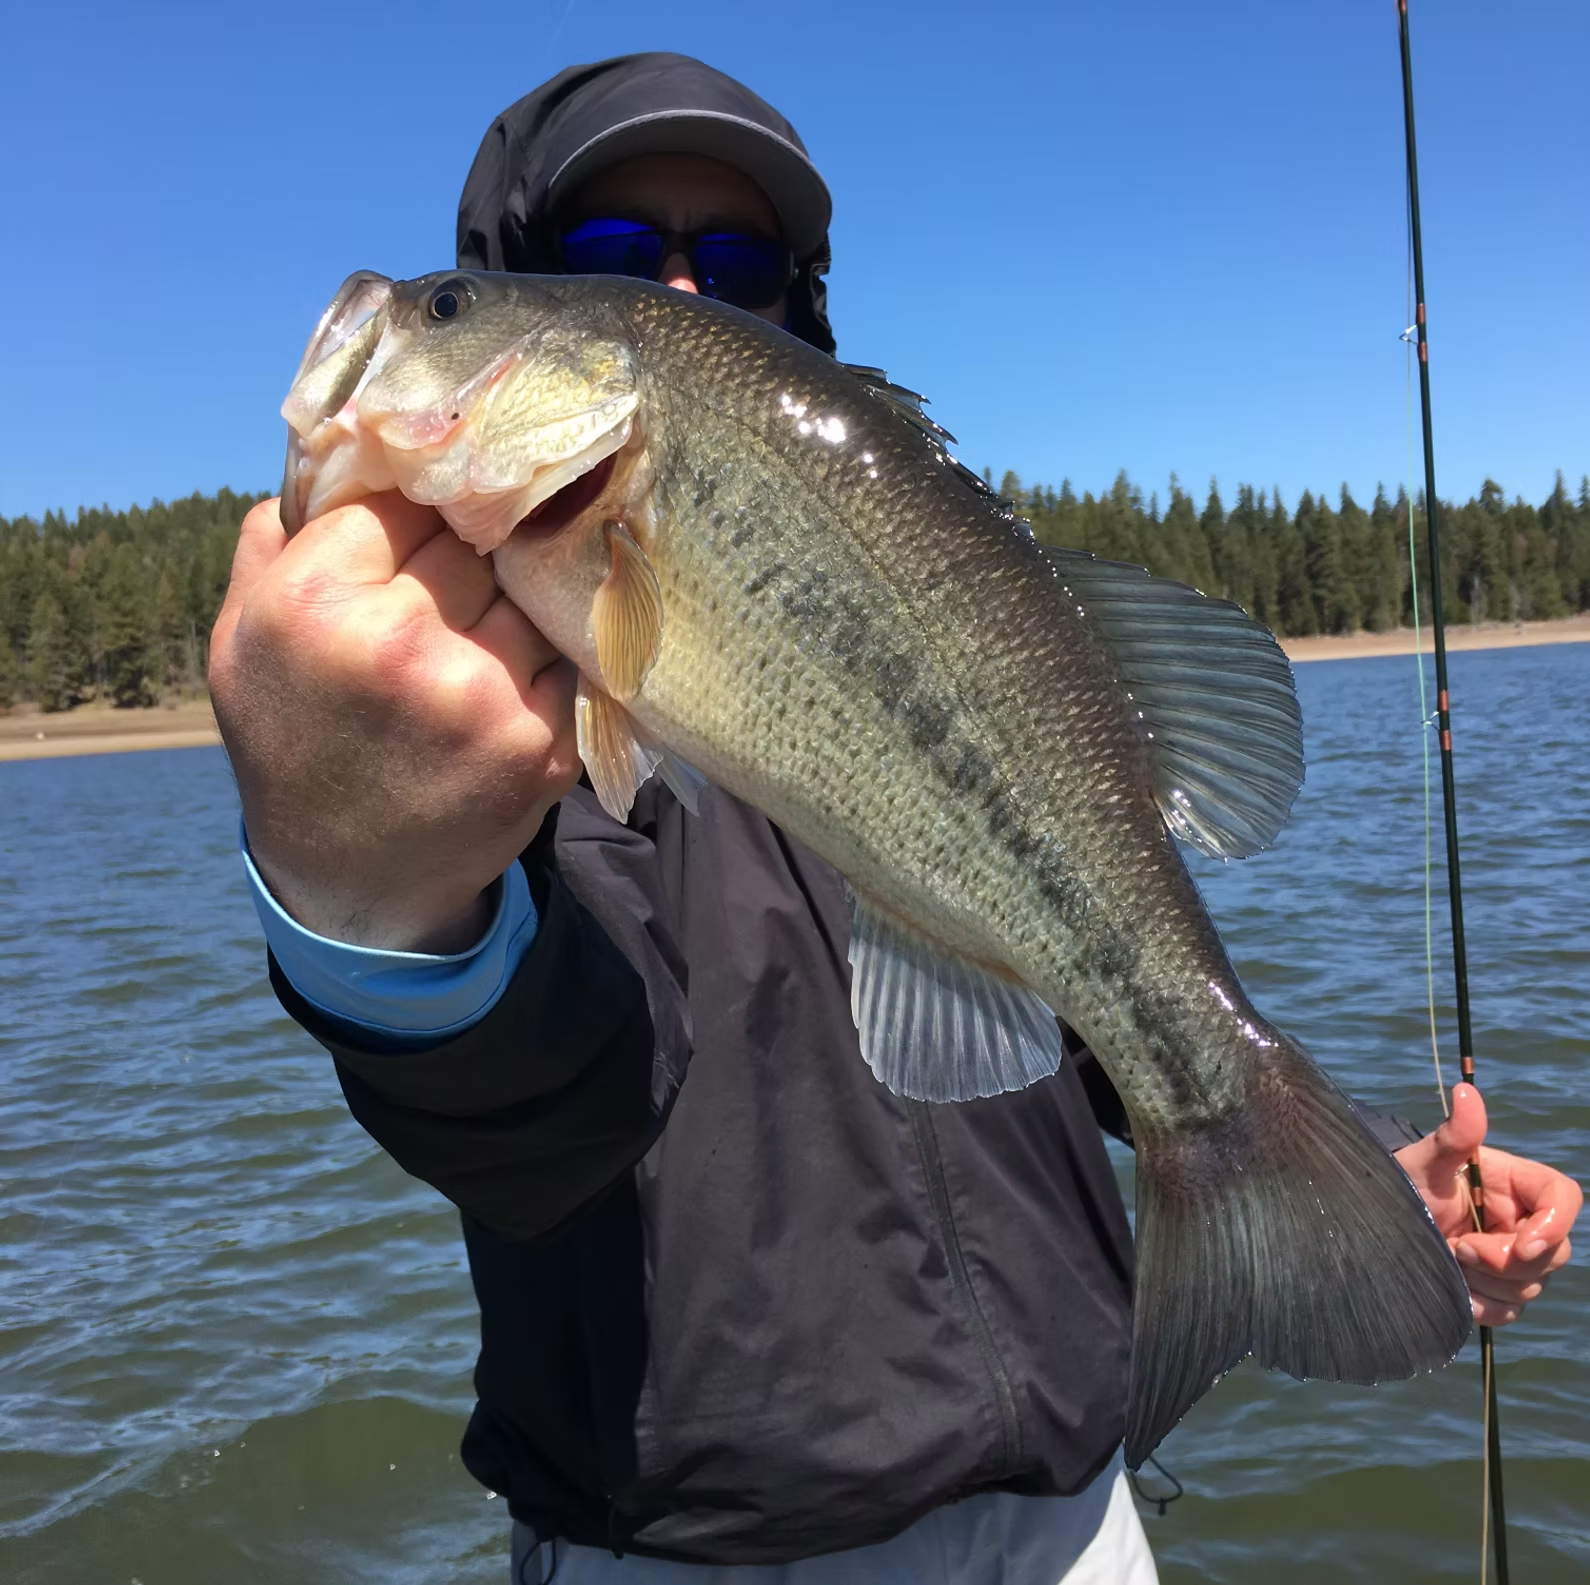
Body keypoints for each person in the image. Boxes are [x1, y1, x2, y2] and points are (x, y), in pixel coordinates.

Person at [208, 53, 1582, 1584]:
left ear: (799, 304)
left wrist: (1321, 1193)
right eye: (607, 256)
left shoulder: (910, 579)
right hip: (699, 1552)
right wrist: (367, 894)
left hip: (1077, 1523)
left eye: (736, 263)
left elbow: (1067, 1020)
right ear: (531, 285)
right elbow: (546, 1109)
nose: (686, 284)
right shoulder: (485, 715)